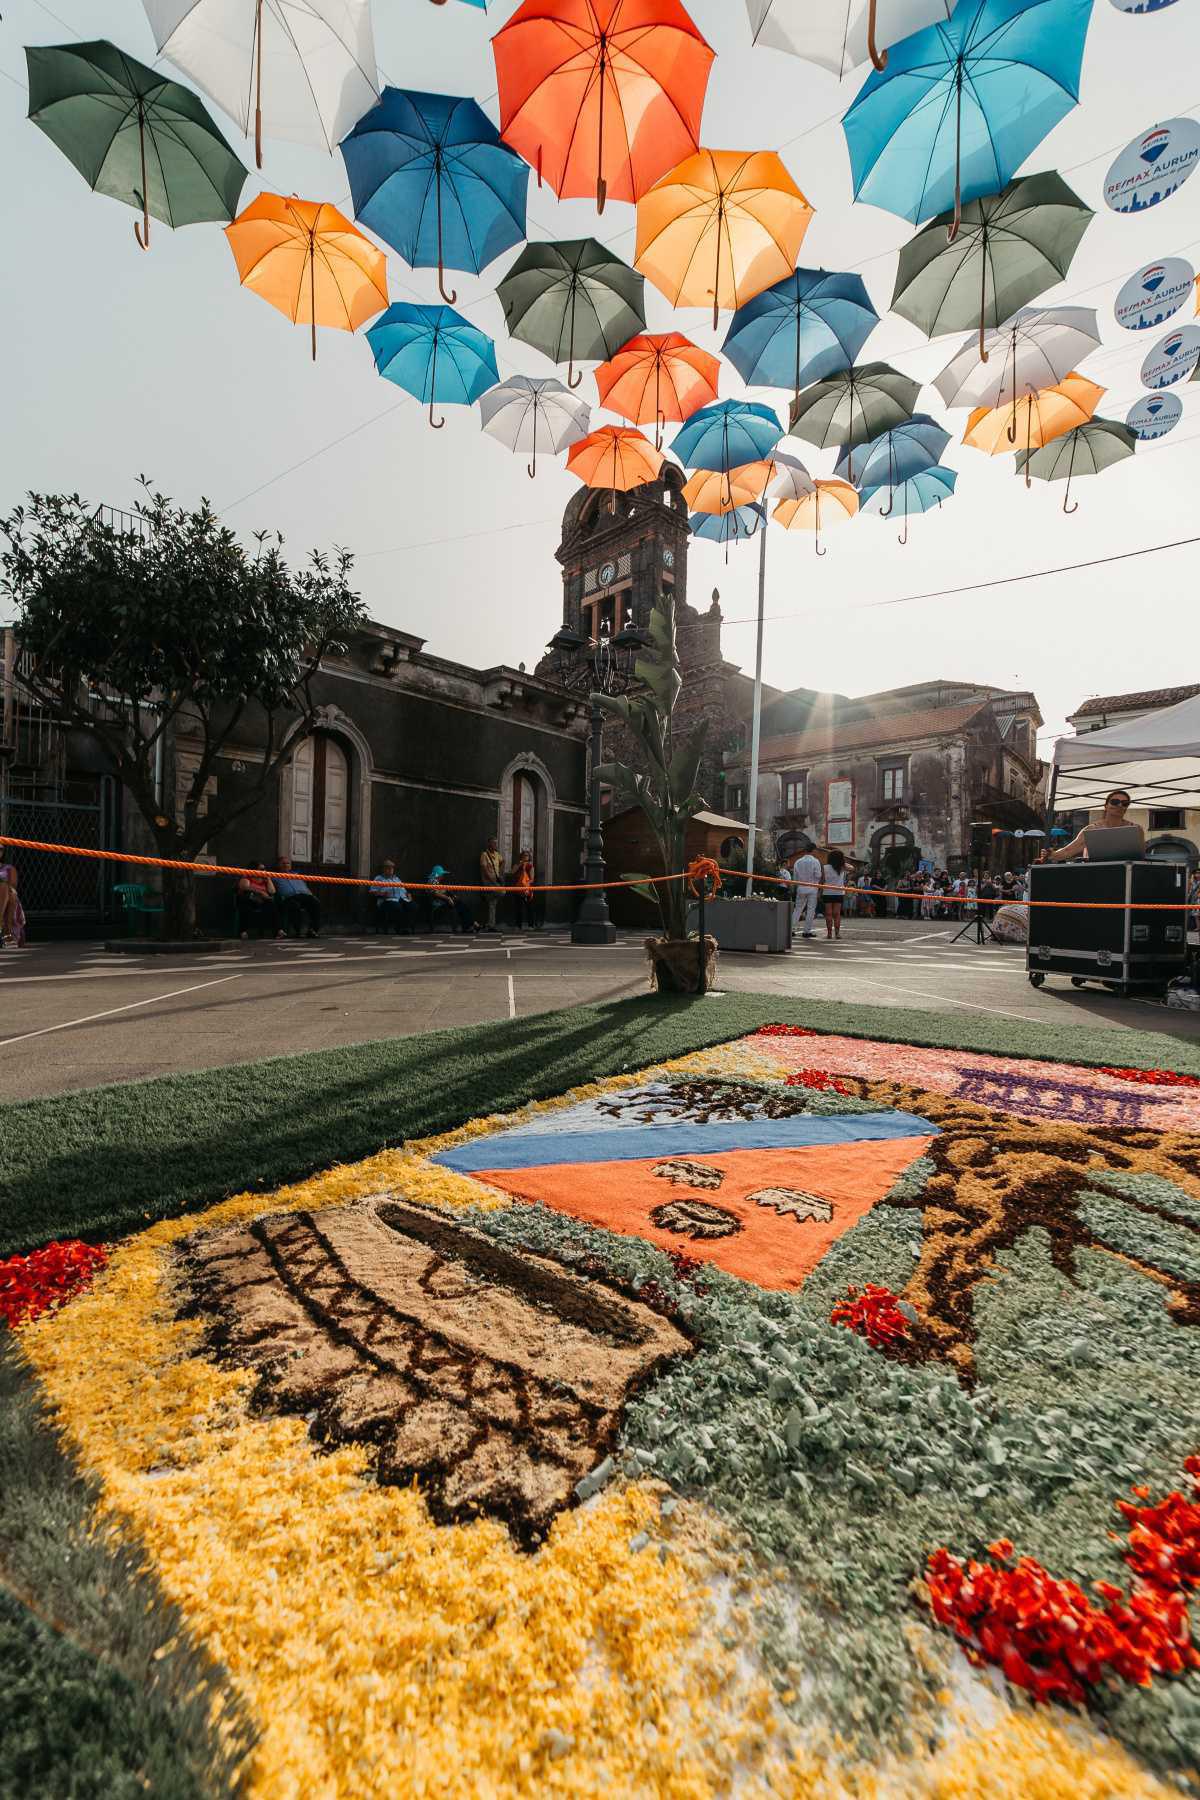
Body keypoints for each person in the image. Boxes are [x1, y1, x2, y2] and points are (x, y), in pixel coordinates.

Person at [1042, 791, 1144, 862]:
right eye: (1115, 802)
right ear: (1106, 806)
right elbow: (1067, 851)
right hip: (1097, 876)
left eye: (1125, 803)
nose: (1120, 805)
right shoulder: (1091, 829)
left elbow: (1140, 857)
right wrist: (1052, 854)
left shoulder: (1136, 829)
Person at [273, 857, 321, 938]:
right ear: (278, 865)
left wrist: (312, 895)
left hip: (303, 895)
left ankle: (313, 930)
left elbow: (305, 887)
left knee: (315, 903)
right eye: (283, 863)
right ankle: (295, 931)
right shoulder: (274, 876)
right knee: (293, 905)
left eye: (288, 863)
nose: (286, 865)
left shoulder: (297, 875)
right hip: (289, 897)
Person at [427, 865, 478, 934]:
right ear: (438, 874)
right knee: (461, 905)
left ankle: (469, 925)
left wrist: (452, 896)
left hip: (444, 901)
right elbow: (435, 893)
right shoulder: (432, 881)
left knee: (462, 906)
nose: (443, 876)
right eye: (442, 874)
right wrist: (448, 898)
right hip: (438, 904)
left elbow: (444, 890)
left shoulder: (437, 881)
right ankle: (471, 924)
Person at [236, 864, 282, 939]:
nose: (264, 871)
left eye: (264, 869)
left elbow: (272, 891)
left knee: (272, 905)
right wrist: (260, 892)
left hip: (263, 901)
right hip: (250, 899)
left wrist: (268, 879)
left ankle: (278, 931)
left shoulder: (264, 879)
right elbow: (244, 887)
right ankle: (243, 931)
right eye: (261, 869)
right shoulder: (247, 876)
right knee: (245, 904)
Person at [370, 860, 415, 933]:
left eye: (392, 868)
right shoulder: (379, 878)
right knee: (397, 907)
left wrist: (408, 894)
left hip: (401, 898)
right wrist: (382, 894)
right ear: (383, 869)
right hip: (387, 900)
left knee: (413, 906)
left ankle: (406, 927)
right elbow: (372, 891)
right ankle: (400, 928)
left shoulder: (396, 879)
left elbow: (403, 889)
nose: (391, 869)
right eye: (388, 868)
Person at [792, 844, 822, 939]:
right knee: (810, 910)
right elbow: (818, 875)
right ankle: (806, 931)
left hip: (801, 887)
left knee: (797, 909)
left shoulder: (798, 861)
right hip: (812, 887)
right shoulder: (815, 861)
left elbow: (795, 877)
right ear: (813, 850)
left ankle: (791, 929)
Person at [509, 848, 542, 930]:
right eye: (524, 855)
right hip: (518, 888)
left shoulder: (530, 866)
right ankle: (518, 925)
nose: (525, 857)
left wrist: (526, 885)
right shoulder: (517, 864)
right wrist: (520, 865)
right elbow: (512, 872)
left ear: (529, 857)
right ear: (521, 857)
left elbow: (532, 879)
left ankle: (531, 925)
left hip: (527, 889)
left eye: (527, 855)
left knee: (529, 907)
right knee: (518, 908)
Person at [0, 847, 26, 947]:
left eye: (0, 849)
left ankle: (6, 930)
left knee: (7, 890)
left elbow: (12, 886)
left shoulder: (9, 868)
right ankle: (7, 932)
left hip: (5, 896)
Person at [479, 836, 505, 932]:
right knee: (502, 892)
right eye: (494, 843)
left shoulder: (497, 854)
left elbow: (503, 861)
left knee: (492, 903)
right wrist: (492, 880)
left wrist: (500, 874)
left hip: (495, 882)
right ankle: (490, 925)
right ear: (489, 844)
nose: (495, 845)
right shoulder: (484, 855)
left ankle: (491, 925)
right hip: (488, 882)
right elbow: (484, 869)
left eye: (496, 843)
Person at [822, 849, 846, 940]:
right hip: (839, 892)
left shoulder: (824, 867)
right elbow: (852, 868)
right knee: (837, 914)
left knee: (828, 914)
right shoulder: (842, 867)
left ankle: (829, 934)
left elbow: (822, 880)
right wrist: (843, 863)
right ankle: (837, 934)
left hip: (827, 892)